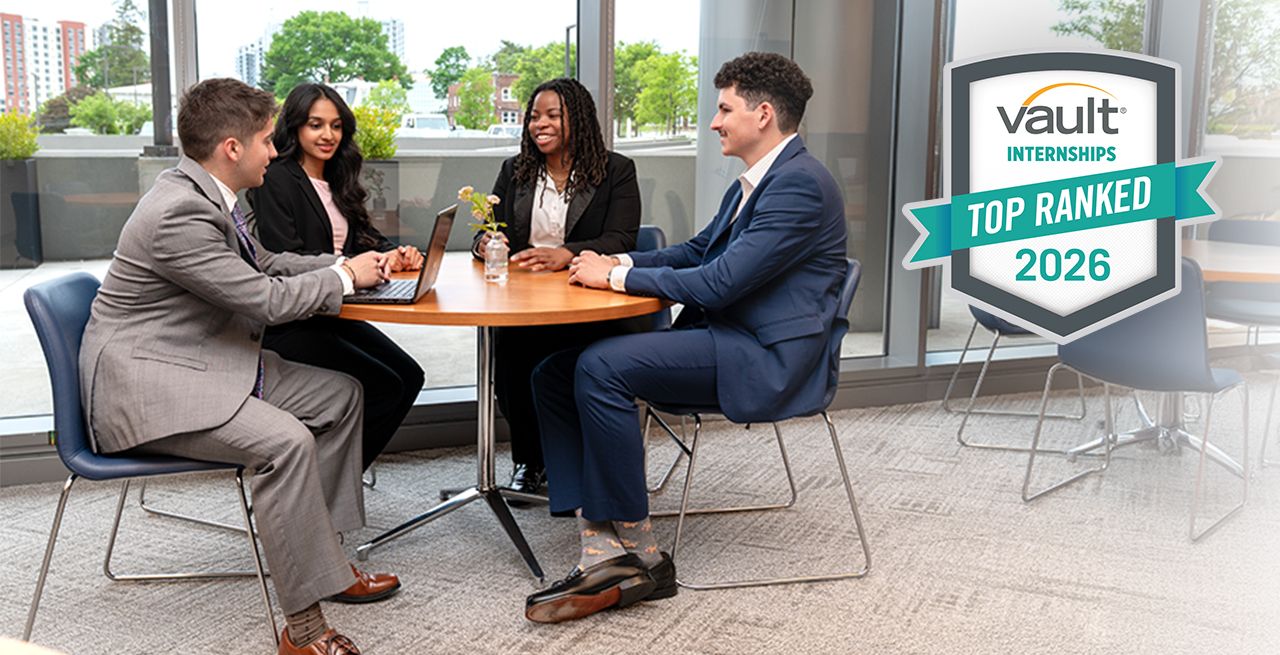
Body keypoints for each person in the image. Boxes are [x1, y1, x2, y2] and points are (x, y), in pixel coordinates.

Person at [79, 78, 401, 655]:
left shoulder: (210, 194)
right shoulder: (178, 211)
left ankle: (325, 557)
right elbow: (263, 301)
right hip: (152, 382)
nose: (273, 151)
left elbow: (268, 263)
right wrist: (346, 280)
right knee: (286, 443)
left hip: (202, 358)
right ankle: (304, 633)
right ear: (232, 148)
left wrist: (345, 262)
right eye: (263, 140)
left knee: (342, 396)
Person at [523, 52, 848, 622]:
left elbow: (720, 282)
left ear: (764, 114)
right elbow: (698, 252)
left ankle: (640, 549)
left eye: (724, 109)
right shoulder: (756, 181)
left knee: (601, 367)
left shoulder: (800, 185)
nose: (715, 121)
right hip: (731, 334)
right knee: (553, 371)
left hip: (766, 355)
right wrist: (608, 257)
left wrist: (617, 277)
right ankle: (598, 537)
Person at [471, 77, 644, 502]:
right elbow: (487, 230)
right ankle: (530, 461)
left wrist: (567, 253)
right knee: (511, 366)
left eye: (552, 115)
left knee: (556, 366)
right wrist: (486, 243)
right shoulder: (516, 170)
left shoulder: (615, 171)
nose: (538, 124)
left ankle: (578, 459)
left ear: (578, 120)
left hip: (587, 297)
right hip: (524, 298)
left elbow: (622, 239)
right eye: (534, 116)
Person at [249, 83, 426, 472]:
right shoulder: (277, 177)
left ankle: (336, 477)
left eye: (335, 126)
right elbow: (284, 256)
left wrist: (395, 253)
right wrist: (351, 266)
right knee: (385, 386)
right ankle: (323, 484)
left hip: (335, 315)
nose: (328, 135)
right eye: (315, 125)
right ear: (294, 127)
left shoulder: (338, 177)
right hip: (294, 321)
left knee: (410, 376)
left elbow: (364, 236)